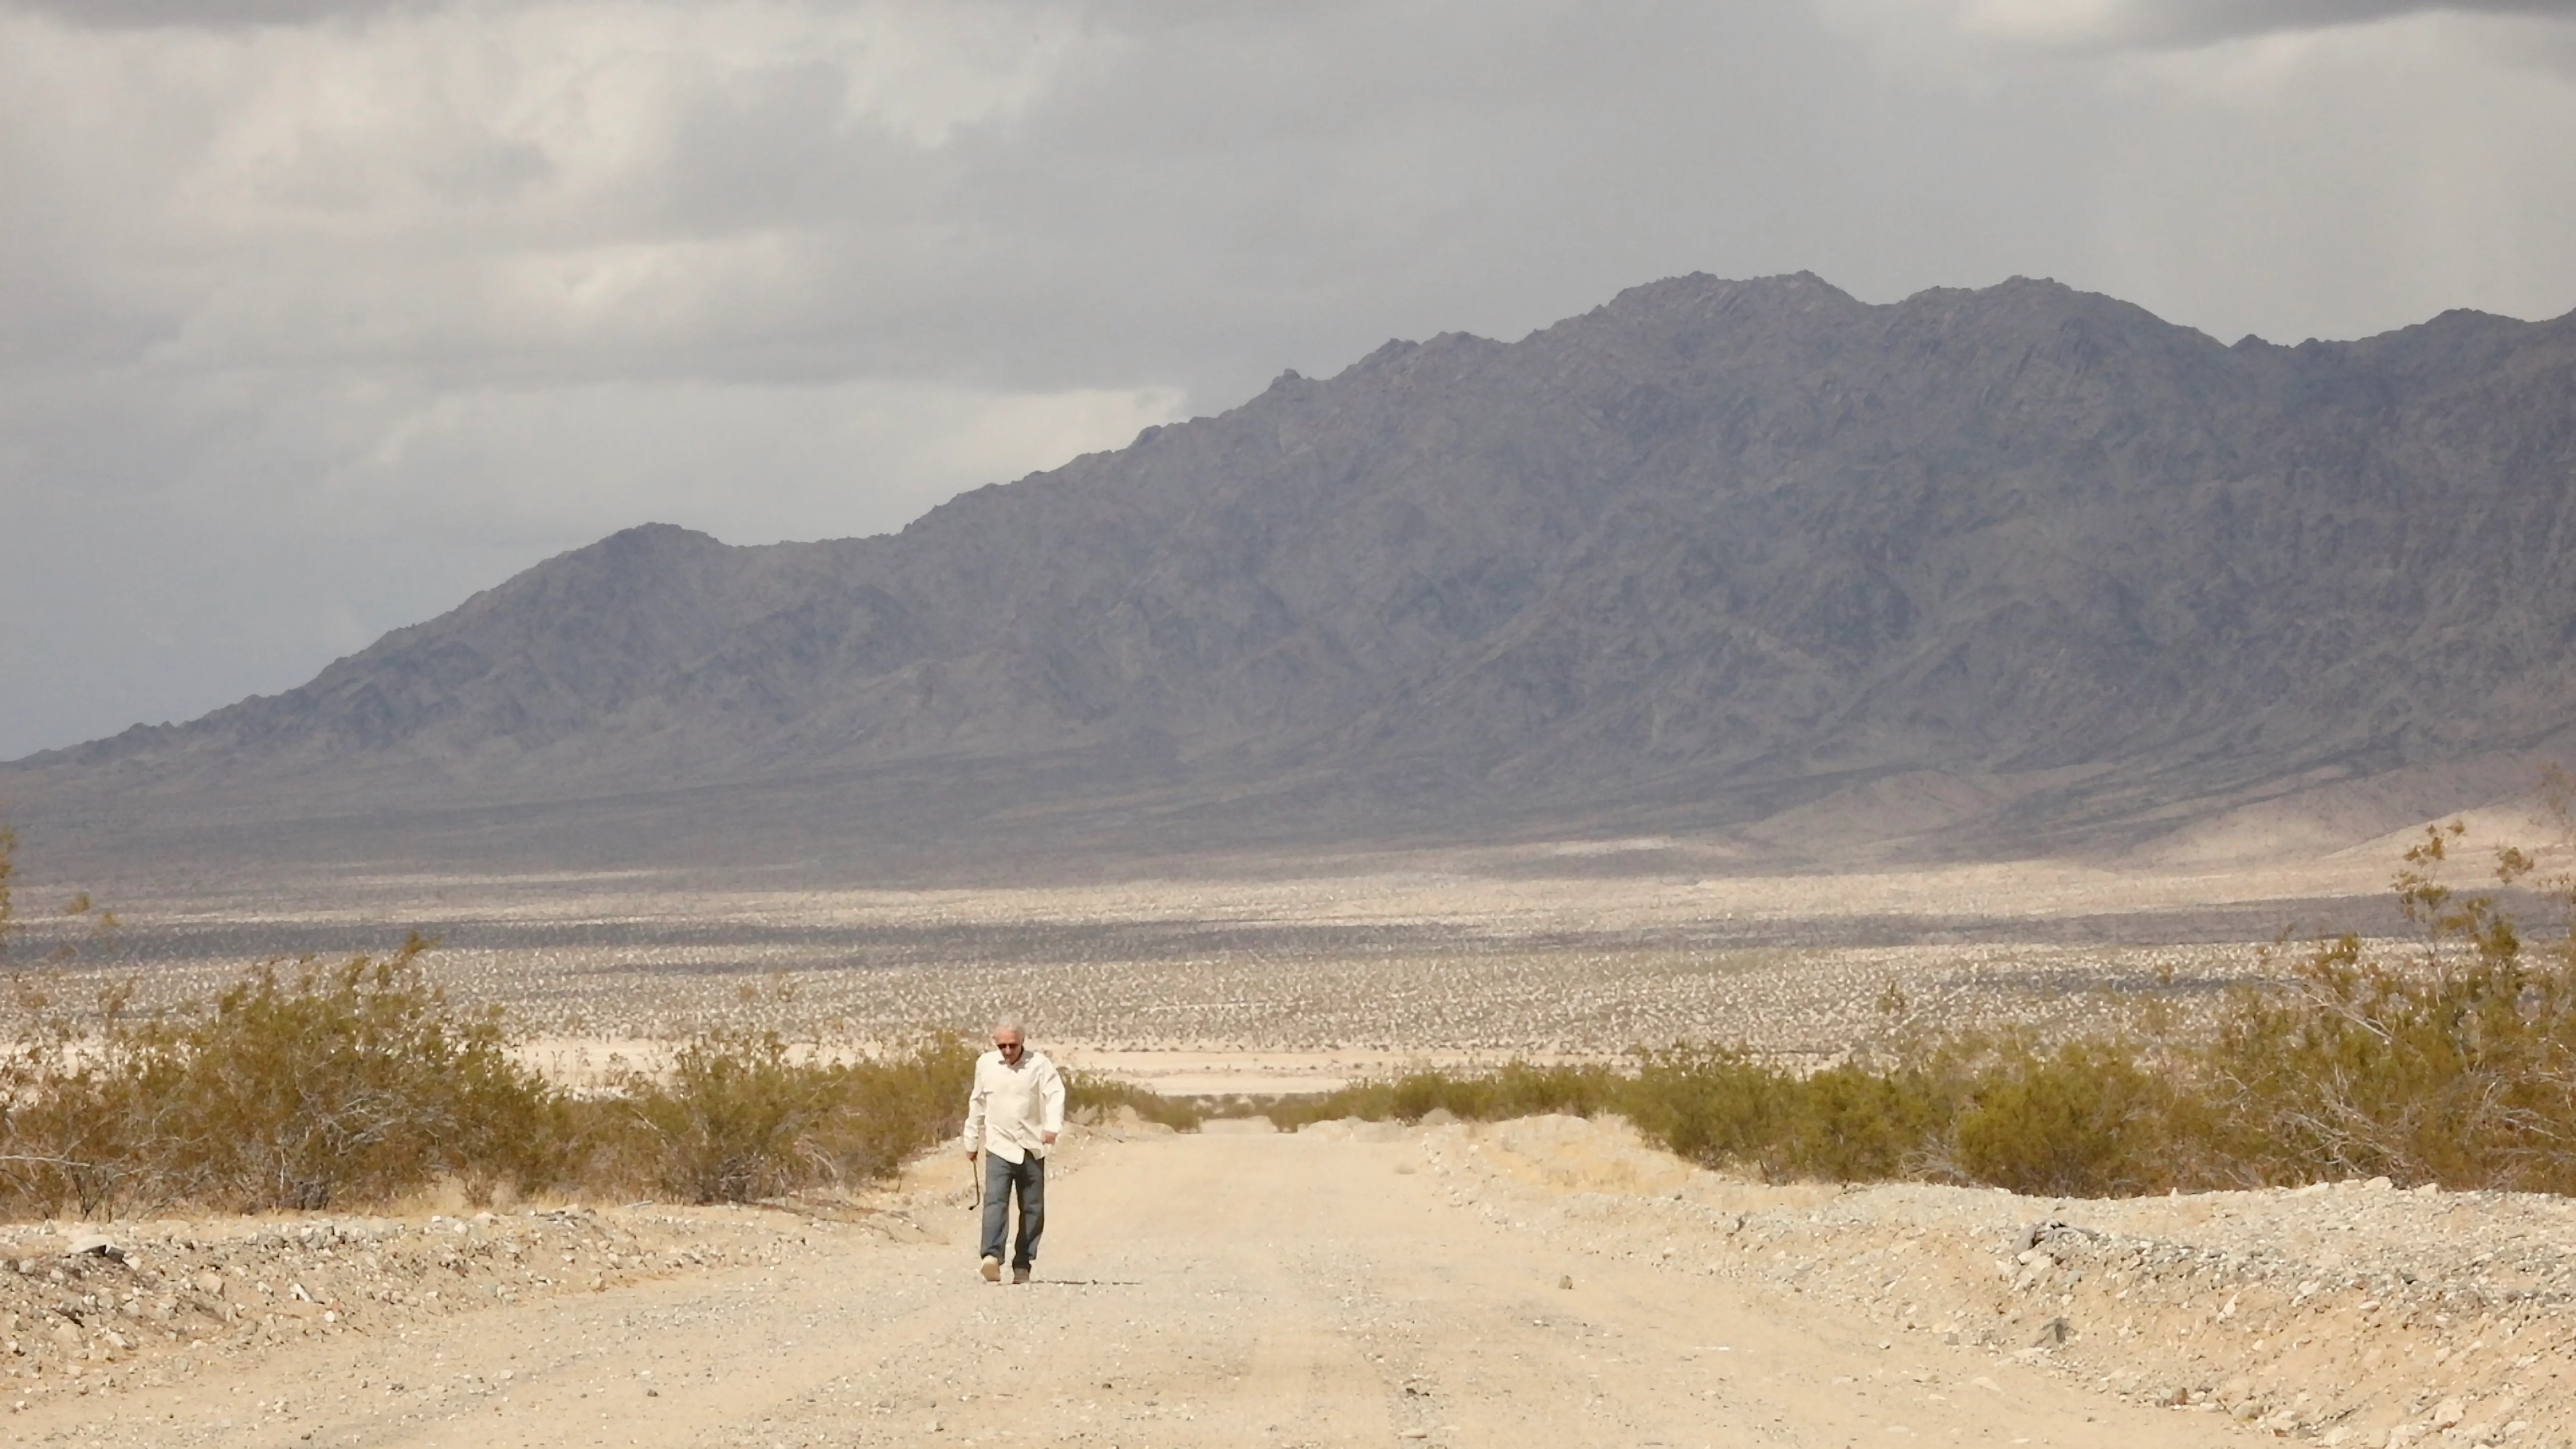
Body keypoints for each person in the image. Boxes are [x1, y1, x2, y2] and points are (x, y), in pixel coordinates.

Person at [961, 1018, 1065, 1283]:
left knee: (1032, 1208)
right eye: (1002, 1046)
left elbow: (1055, 1094)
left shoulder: (1039, 1065)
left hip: (1031, 1146)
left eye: (1013, 1045)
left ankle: (1023, 1264)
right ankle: (991, 1257)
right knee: (995, 1201)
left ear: (1023, 1042)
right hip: (999, 1145)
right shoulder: (985, 1065)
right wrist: (971, 1139)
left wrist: (1052, 1127)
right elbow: (978, 1102)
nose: (1008, 1051)